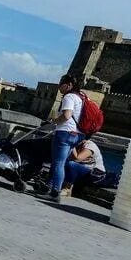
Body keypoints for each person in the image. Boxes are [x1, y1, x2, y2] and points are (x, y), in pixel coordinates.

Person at [40, 73, 84, 203]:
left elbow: (66, 115)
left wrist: (54, 120)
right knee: (61, 162)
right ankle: (50, 188)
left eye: (61, 85)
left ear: (69, 85)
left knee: (58, 163)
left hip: (65, 133)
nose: (59, 88)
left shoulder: (69, 97)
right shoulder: (80, 98)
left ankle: (55, 193)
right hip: (76, 134)